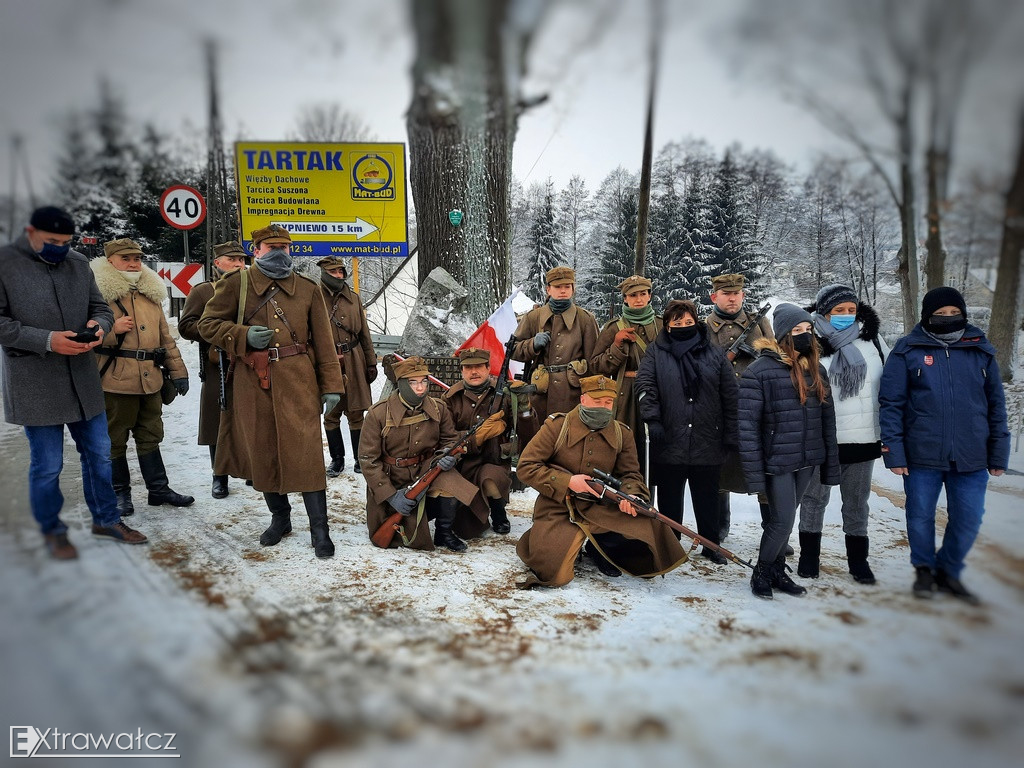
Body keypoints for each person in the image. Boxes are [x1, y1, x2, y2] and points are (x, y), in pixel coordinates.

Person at [0, 206, 147, 558]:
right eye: (52, 242)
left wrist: (100, 327)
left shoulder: (78, 262)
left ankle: (106, 519)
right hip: (35, 382)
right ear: (30, 232)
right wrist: (48, 340)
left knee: (98, 454)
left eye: (67, 242)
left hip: (83, 379)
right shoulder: (6, 263)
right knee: (48, 464)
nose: (60, 248)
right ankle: (53, 531)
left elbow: (100, 308)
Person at [198, 225, 344, 559]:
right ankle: (280, 519)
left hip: (299, 380)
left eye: (284, 246)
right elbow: (207, 324)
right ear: (256, 249)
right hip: (253, 381)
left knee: (306, 453)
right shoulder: (237, 283)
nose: (279, 251)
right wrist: (242, 334)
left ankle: (319, 529)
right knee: (261, 449)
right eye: (271, 246)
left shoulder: (308, 289)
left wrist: (332, 385)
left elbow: (324, 341)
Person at [879, 286, 1009, 604]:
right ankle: (924, 568)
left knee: (968, 517)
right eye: (941, 314)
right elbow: (891, 404)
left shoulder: (981, 350)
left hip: (972, 453)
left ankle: (948, 570)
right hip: (922, 452)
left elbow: (996, 405)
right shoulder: (907, 350)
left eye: (955, 313)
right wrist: (893, 450)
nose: (949, 318)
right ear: (928, 316)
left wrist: (999, 451)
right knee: (920, 514)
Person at [515, 375, 689, 588]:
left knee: (646, 518)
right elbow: (526, 467)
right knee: (556, 574)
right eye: (597, 401)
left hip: (601, 507)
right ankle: (542, 538)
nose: (603, 407)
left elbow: (631, 474)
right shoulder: (557, 427)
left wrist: (632, 494)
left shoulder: (621, 433)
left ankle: (603, 549)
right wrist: (568, 481)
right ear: (583, 400)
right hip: (559, 507)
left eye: (608, 402)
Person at [739, 303, 839, 599]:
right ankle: (762, 571)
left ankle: (777, 569)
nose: (804, 335)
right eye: (797, 331)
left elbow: (827, 420)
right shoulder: (760, 372)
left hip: (806, 458)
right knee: (782, 520)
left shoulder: (816, 369)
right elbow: (747, 428)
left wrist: (829, 462)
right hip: (777, 461)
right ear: (782, 335)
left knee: (781, 520)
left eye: (808, 330)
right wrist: (755, 475)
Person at [92, 238, 193, 516]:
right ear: (110, 261)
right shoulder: (97, 293)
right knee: (115, 439)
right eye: (126, 258)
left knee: (151, 435)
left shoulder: (150, 293)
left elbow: (166, 338)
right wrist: (113, 330)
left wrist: (178, 372)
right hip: (115, 379)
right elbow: (82, 334)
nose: (133, 263)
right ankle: (119, 494)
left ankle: (158, 490)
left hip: (150, 378)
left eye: (137, 258)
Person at [635, 299, 739, 565]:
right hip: (670, 438)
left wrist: (730, 433)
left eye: (688, 322)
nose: (683, 326)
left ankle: (710, 544)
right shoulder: (656, 352)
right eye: (677, 323)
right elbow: (646, 386)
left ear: (696, 321)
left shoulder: (714, 354)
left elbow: (730, 395)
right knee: (670, 497)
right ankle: (671, 544)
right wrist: (653, 420)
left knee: (707, 497)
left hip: (708, 437)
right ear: (667, 326)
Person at [798, 284, 889, 584]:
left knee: (856, 503)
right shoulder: (809, 341)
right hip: (822, 439)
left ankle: (858, 562)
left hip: (862, 440)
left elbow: (889, 385)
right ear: (824, 312)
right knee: (813, 500)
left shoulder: (873, 341)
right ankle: (808, 558)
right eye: (839, 311)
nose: (846, 316)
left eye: (851, 310)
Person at [359, 355, 489, 551]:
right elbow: (368, 460)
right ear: (402, 384)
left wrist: (448, 456)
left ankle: (444, 532)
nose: (420, 388)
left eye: (424, 381)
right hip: (391, 477)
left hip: (426, 470)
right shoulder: (378, 414)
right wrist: (391, 495)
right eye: (413, 382)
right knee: (403, 533)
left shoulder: (438, 408)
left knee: (452, 481)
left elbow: (450, 440)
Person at [704, 273, 775, 545]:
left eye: (736, 293)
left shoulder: (760, 324)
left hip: (758, 408)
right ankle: (720, 526)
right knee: (719, 468)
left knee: (764, 467)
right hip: (720, 410)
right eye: (726, 294)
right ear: (715, 297)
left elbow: (776, 358)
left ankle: (772, 529)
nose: (732, 298)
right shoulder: (706, 328)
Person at [178, 240, 247, 499]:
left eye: (241, 260)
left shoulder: (252, 290)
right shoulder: (204, 291)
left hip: (248, 363)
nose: (239, 264)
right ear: (217, 263)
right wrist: (218, 331)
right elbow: (186, 326)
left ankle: (249, 468)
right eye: (232, 260)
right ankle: (219, 476)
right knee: (215, 420)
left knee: (249, 418)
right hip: (216, 362)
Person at [589, 274, 663, 476]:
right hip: (625, 395)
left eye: (642, 294)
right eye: (633, 295)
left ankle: (649, 501)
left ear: (649, 296)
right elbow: (596, 367)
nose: (638, 299)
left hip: (658, 392)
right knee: (625, 449)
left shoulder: (661, 325)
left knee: (657, 453)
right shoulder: (613, 327)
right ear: (625, 299)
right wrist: (616, 346)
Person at [511, 266, 599, 425]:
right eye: (558, 287)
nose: (563, 291)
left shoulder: (586, 319)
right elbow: (513, 350)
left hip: (573, 395)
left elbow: (594, 363)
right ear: (548, 289)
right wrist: (532, 345)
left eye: (567, 286)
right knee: (539, 439)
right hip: (540, 393)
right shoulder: (533, 317)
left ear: (573, 289)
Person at [441, 347, 514, 536]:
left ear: (489, 368)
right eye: (468, 367)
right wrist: (478, 436)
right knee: (466, 530)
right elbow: (444, 436)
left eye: (479, 366)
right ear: (462, 371)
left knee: (490, 478)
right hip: (462, 465)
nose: (474, 372)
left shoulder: (504, 394)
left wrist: (523, 405)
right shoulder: (450, 399)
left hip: (494, 461)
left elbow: (525, 431)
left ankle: (499, 513)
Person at [316, 256, 378, 476]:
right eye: (334, 272)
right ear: (324, 273)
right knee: (331, 414)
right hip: (328, 360)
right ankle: (337, 460)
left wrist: (371, 361)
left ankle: (360, 459)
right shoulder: (314, 297)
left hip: (354, 359)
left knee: (356, 413)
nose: (339, 276)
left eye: (341, 272)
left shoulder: (353, 298)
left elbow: (364, 333)